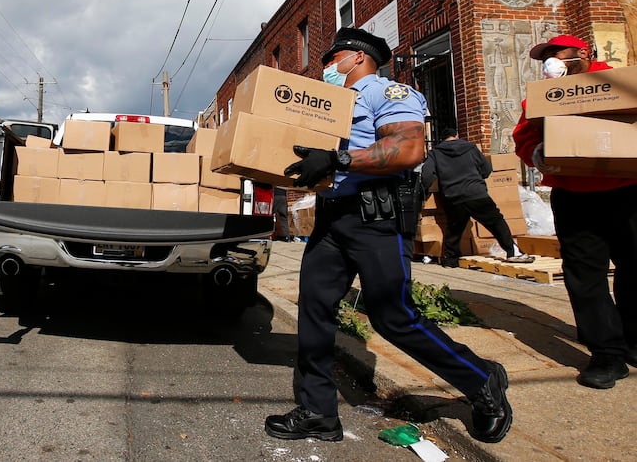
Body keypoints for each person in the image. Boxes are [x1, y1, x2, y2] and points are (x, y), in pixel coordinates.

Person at [265, 28, 512, 444]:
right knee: (315, 309)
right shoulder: (329, 106)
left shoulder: (389, 93)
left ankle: (482, 380)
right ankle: (317, 412)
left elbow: (408, 149)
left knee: (393, 317)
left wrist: (340, 158)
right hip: (331, 218)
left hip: (376, 217)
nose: (328, 66)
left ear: (358, 58)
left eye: (333, 57)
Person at [513, 34, 637, 389]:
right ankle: (607, 355)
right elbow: (523, 137)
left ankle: (633, 339)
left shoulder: (618, 82)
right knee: (585, 277)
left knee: (634, 267)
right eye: (544, 56)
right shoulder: (542, 97)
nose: (550, 61)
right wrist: (540, 153)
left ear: (582, 53)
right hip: (574, 194)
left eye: (556, 53)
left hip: (628, 190)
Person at [420, 127, 533, 267]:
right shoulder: (470, 148)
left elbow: (427, 175)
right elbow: (486, 169)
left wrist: (425, 190)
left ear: (441, 139)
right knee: (496, 222)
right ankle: (513, 252)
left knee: (454, 228)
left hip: (453, 196)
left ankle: (450, 260)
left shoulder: (435, 153)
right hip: (476, 193)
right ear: (457, 135)